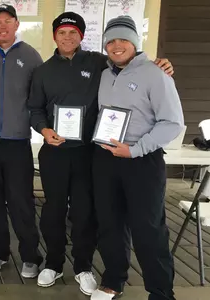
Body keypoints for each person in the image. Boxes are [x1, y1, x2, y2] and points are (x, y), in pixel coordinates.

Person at [28, 12, 174, 295]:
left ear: (82, 36)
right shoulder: (43, 71)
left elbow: (132, 64)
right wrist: (45, 130)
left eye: (73, 32)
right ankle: (54, 264)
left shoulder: (100, 64)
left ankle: (83, 267)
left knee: (87, 213)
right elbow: (34, 109)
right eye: (62, 32)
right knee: (56, 211)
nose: (67, 37)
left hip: (90, 153)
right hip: (57, 153)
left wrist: (161, 63)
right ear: (54, 36)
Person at [91, 16, 184, 300]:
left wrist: (135, 149)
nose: (116, 46)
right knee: (110, 224)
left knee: (149, 228)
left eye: (123, 40)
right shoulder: (106, 73)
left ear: (135, 43)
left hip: (142, 161)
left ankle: (160, 291)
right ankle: (113, 280)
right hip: (106, 159)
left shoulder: (155, 73)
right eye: (111, 41)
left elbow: (173, 123)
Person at [0, 4, 42, 277]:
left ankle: (30, 256)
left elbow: (40, 97)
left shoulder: (31, 57)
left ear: (16, 25)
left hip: (17, 142)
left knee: (21, 200)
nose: (2, 26)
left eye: (8, 21)